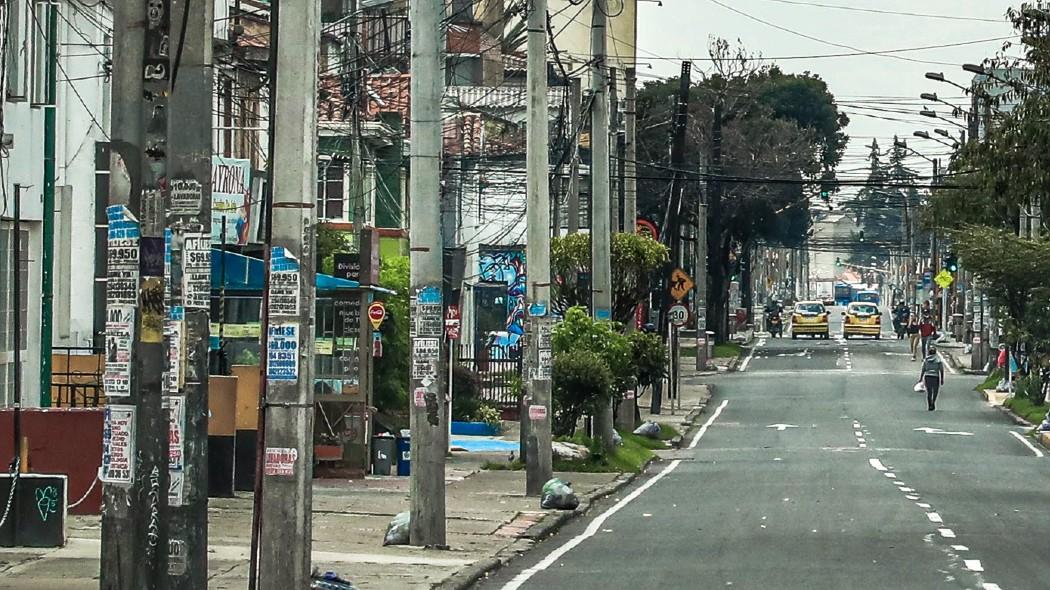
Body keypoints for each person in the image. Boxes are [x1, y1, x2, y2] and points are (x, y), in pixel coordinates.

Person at [920, 344, 945, 411]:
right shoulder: (938, 360)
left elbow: (923, 369)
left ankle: (929, 403)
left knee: (929, 391)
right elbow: (941, 370)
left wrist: (921, 378)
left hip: (927, 376)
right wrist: (942, 378)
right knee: (935, 391)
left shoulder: (926, 360)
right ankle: (933, 402)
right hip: (935, 377)